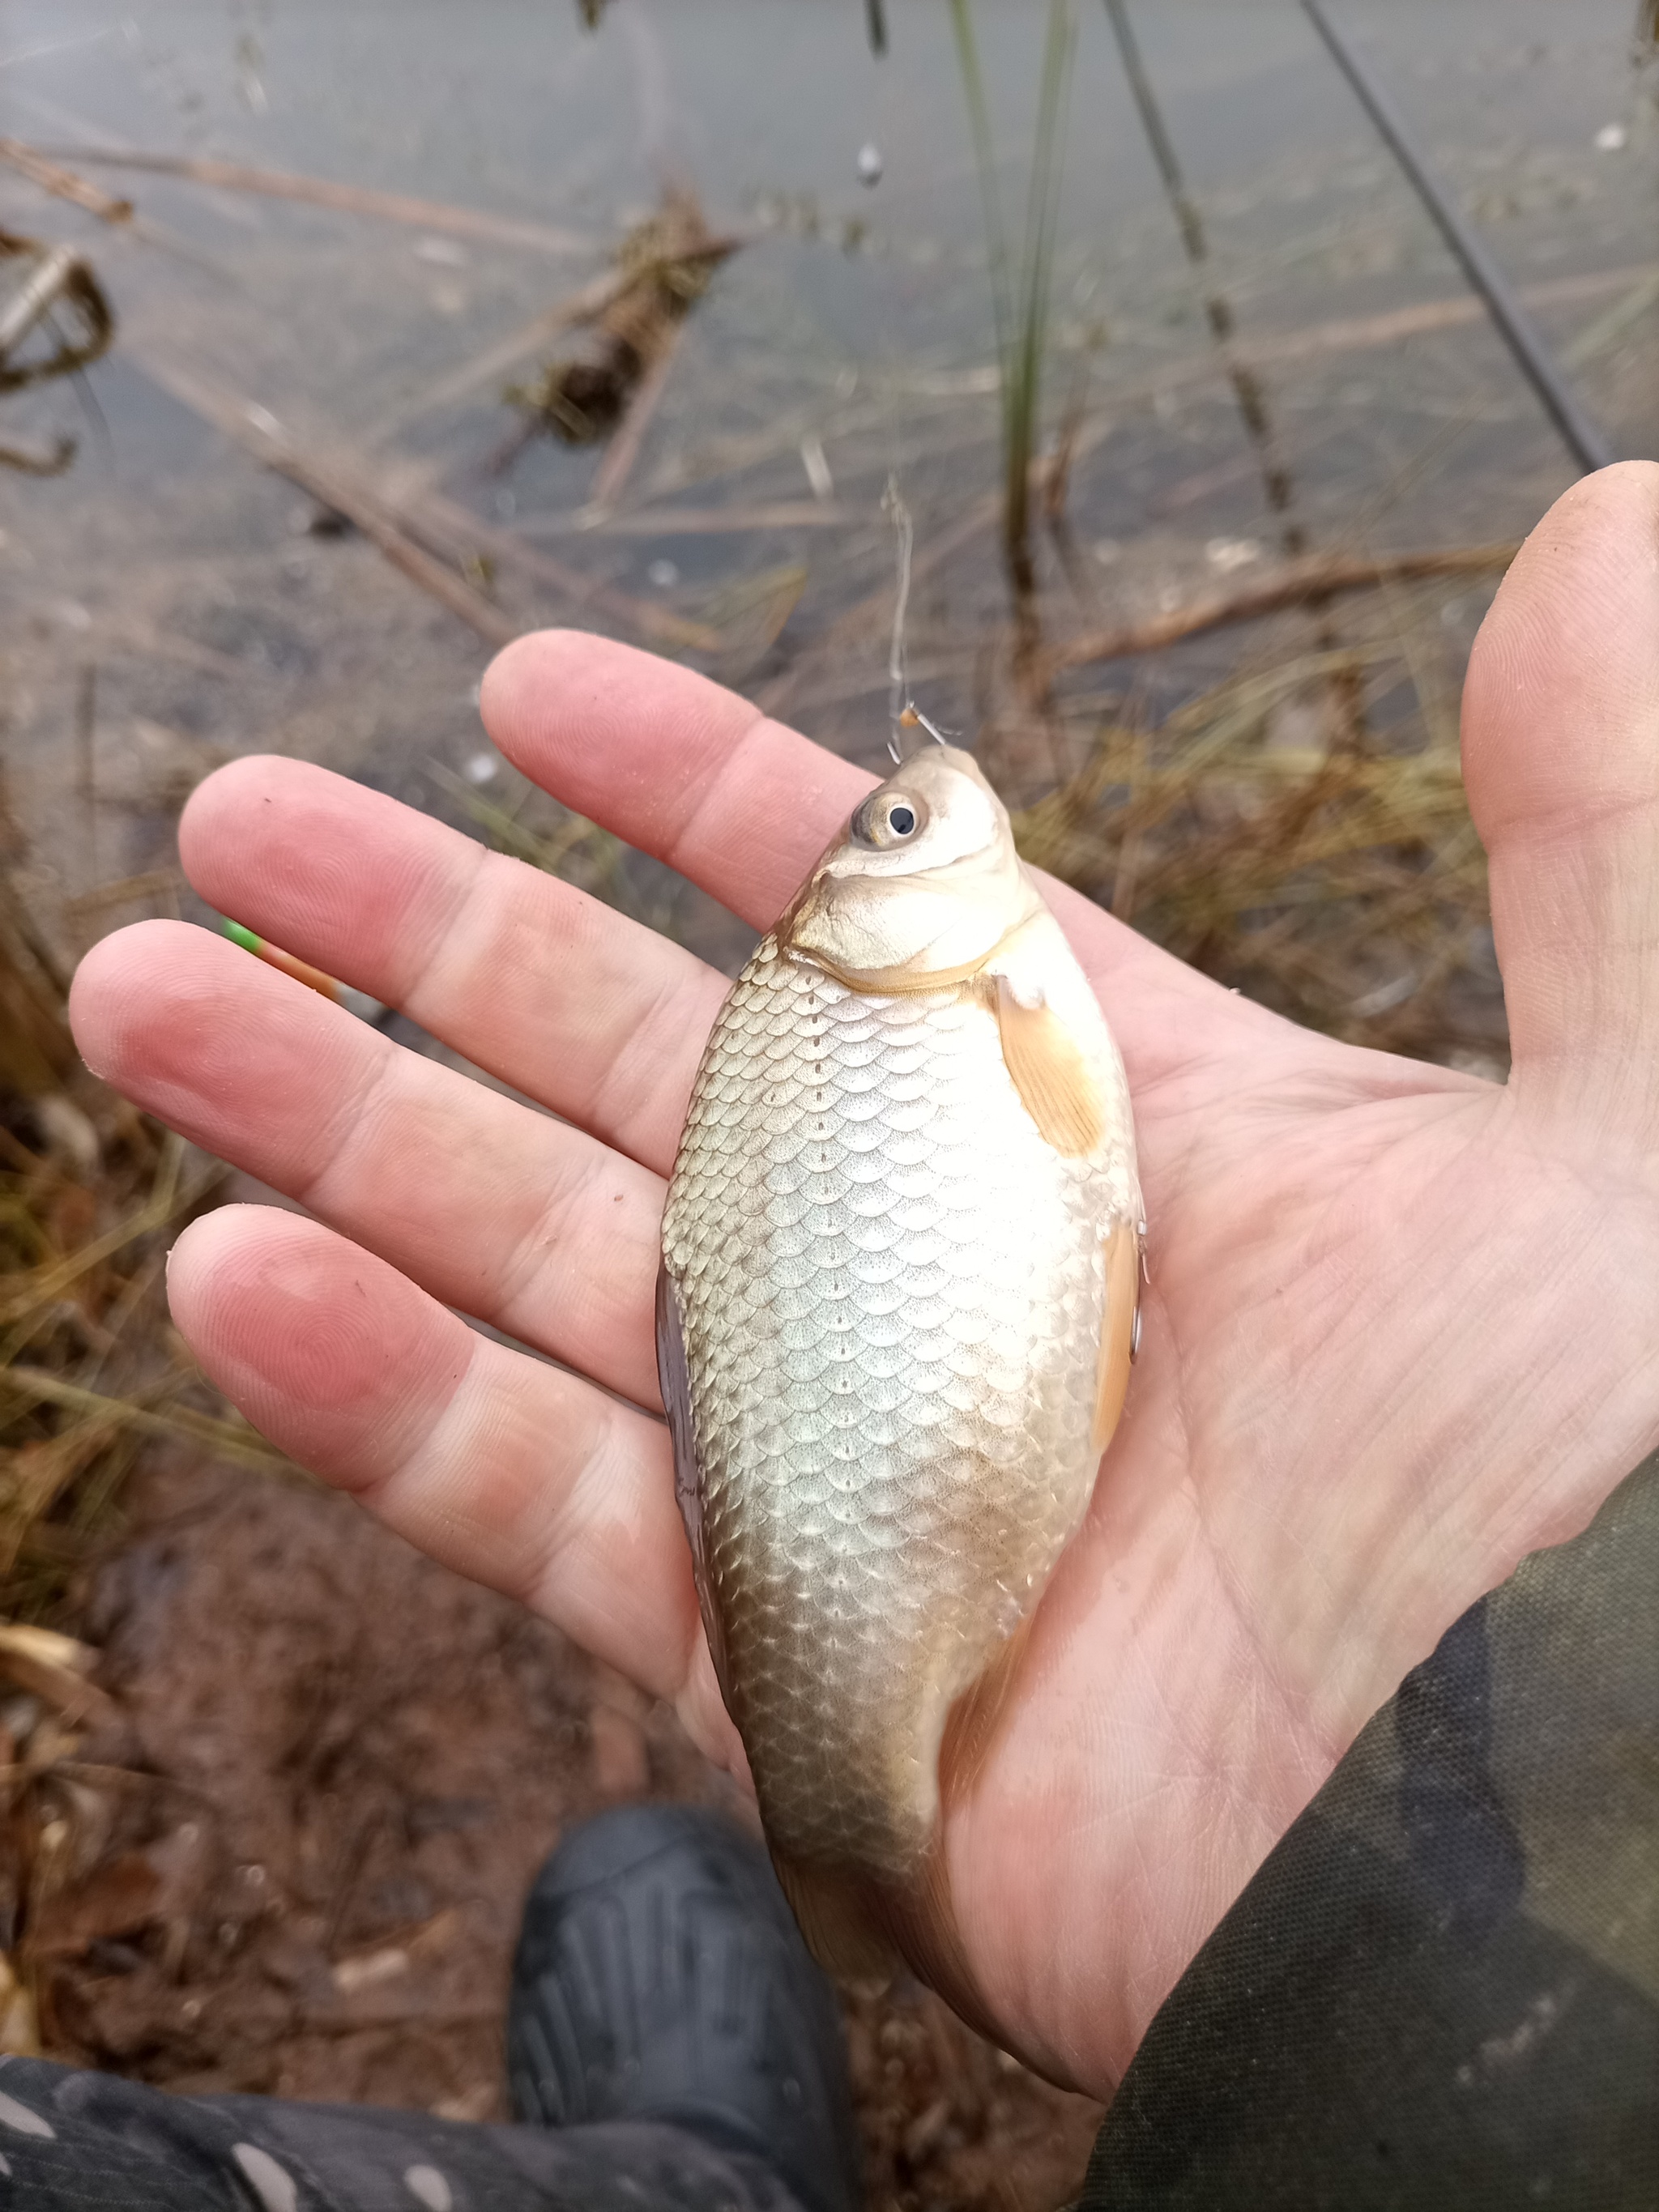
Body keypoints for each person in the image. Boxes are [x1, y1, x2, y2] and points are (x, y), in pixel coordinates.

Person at [6, 460, 1651, 2206]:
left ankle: (703, 2159)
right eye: (892, 833)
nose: (920, 808)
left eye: (890, 830)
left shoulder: (901, 991)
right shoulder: (935, 991)